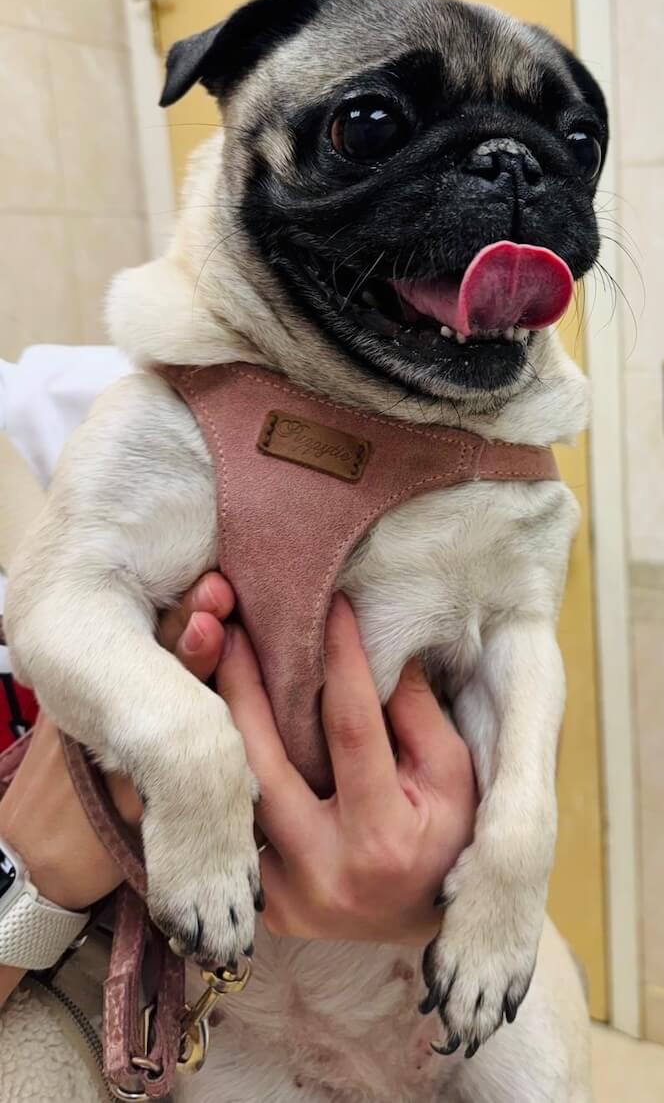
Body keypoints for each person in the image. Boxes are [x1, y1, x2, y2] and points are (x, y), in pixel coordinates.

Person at [0, 344, 477, 1026]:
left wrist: (455, 850)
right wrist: (32, 870)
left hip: (409, 1001)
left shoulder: (132, 392)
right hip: (191, 1027)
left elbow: (477, 654)